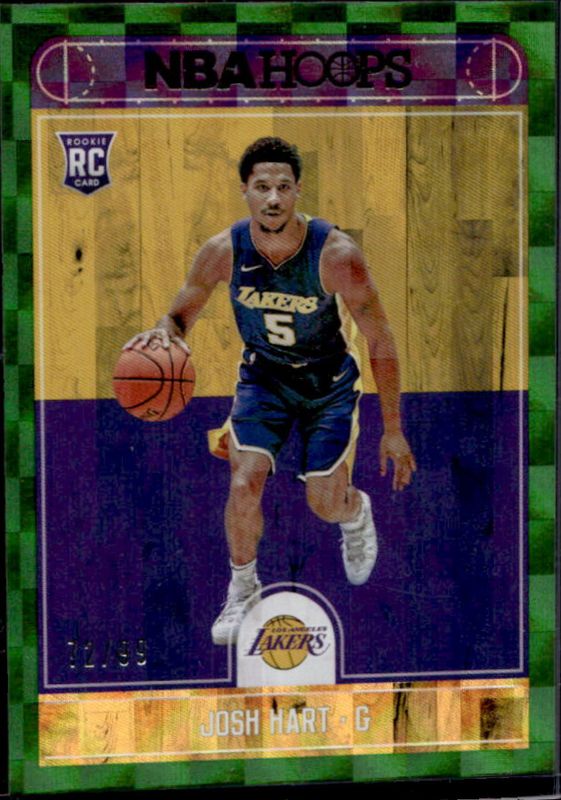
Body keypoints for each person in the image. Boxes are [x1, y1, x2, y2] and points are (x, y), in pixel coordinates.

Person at [125, 137, 416, 645]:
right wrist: (162, 336)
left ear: (298, 190)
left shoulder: (337, 255)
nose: (274, 198)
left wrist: (392, 429)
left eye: (284, 186)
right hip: (264, 380)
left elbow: (380, 338)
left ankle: (355, 513)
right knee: (243, 483)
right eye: (262, 187)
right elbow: (179, 315)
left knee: (324, 503)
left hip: (327, 385)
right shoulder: (222, 251)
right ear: (245, 191)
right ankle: (243, 589)